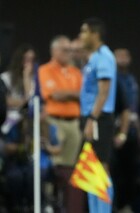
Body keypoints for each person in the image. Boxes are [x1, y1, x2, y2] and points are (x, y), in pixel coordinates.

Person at [38, 35, 84, 212]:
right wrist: (72, 94)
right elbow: (53, 94)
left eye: (70, 50)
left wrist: (66, 94)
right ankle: (49, 205)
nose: (69, 54)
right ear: (54, 51)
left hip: (73, 124)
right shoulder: (44, 70)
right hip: (52, 122)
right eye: (65, 50)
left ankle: (67, 207)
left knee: (70, 170)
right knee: (53, 166)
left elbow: (82, 95)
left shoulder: (75, 72)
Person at [79, 17, 117, 213]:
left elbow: (103, 93)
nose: (81, 35)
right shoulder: (94, 57)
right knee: (90, 169)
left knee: (100, 168)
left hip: (99, 118)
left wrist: (92, 119)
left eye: (84, 31)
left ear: (95, 34)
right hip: (91, 118)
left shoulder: (104, 57)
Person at [0, 44, 37, 212]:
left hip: (24, 126)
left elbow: (29, 106)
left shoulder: (31, 80)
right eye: (26, 59)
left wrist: (27, 78)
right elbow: (7, 102)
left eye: (32, 60)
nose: (29, 63)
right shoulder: (5, 78)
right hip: (6, 125)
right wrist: (22, 103)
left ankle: (26, 204)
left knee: (30, 171)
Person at [112, 48, 140, 213]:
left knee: (131, 173)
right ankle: (117, 206)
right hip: (117, 132)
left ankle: (126, 205)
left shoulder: (132, 80)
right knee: (116, 172)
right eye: (119, 56)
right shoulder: (112, 78)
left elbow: (133, 109)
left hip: (131, 133)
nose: (123, 58)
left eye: (126, 55)